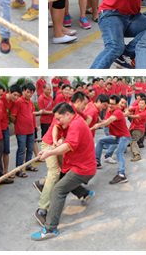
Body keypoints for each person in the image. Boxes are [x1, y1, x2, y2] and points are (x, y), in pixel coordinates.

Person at [31, 102, 95, 240]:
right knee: (62, 177)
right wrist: (59, 140)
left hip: (82, 168)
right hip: (77, 165)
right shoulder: (72, 121)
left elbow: (68, 146)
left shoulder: (76, 124)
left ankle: (50, 228)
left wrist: (50, 152)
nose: (58, 122)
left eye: (59, 118)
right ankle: (84, 193)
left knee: (58, 190)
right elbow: (63, 135)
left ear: (67, 114)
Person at [92, 95, 131, 184]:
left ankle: (122, 175)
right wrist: (100, 122)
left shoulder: (118, 112)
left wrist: (99, 125)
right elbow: (106, 122)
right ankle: (97, 162)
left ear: (117, 104)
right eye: (109, 103)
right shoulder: (109, 111)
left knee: (119, 152)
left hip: (125, 137)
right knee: (100, 141)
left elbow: (109, 121)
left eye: (113, 104)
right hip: (116, 136)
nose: (110, 105)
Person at [10, 83, 37, 178]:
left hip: (30, 130)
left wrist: (34, 126)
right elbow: (12, 116)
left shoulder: (31, 102)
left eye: (31, 93)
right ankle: (19, 170)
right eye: (28, 92)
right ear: (23, 91)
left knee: (30, 149)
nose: (29, 94)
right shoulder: (18, 102)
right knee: (21, 150)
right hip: (21, 131)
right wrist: (18, 124)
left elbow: (32, 115)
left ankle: (28, 165)